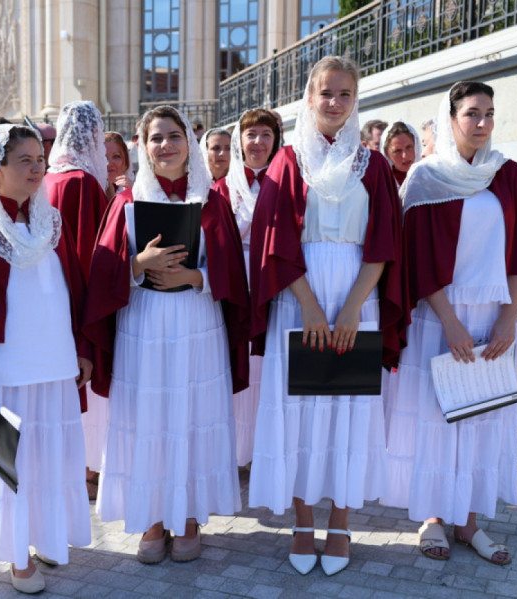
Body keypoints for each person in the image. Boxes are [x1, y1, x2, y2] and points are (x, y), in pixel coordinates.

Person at [382, 81, 517, 566]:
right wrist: (450, 322)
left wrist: (509, 317)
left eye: (489, 113)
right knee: (438, 418)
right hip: (438, 316)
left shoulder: (508, 174)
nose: (482, 123)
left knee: (482, 417)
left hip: (495, 314)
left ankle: (470, 521)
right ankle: (434, 517)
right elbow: (416, 257)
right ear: (451, 117)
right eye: (472, 113)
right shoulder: (425, 177)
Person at [248, 57, 405, 577]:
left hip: (358, 296)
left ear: (355, 99)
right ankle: (301, 522)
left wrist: (354, 306)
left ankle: (339, 522)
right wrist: (310, 306)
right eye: (326, 93)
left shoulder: (373, 164)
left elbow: (384, 242)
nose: (335, 103)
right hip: (300, 296)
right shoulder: (287, 161)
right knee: (298, 409)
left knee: (346, 408)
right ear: (310, 97)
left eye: (344, 94)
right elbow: (275, 241)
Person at [83, 105, 249, 565]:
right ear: (143, 145)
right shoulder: (126, 200)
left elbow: (233, 274)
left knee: (193, 414)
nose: (166, 145)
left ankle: (190, 517)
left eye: (174, 135)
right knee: (149, 417)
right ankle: (153, 519)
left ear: (188, 143)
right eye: (155, 137)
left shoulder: (212, 200)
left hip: (198, 321)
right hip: (144, 323)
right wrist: (139, 264)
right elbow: (102, 273)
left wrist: (194, 277)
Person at [0, 124, 93, 593]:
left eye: (39, 159)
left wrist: (82, 349)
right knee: (10, 465)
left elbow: (73, 291)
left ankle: (46, 536)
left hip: (55, 365)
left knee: (48, 460)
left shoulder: (51, 222)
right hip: (6, 372)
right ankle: (16, 555)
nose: (36, 168)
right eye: (24, 160)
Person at [44, 101, 109, 501]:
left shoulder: (49, 178)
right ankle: (87, 470)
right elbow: (92, 251)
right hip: (80, 297)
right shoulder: (82, 183)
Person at [212, 108, 281, 468]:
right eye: (251, 134)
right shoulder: (221, 189)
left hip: (274, 280)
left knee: (268, 364)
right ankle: (235, 450)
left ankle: (265, 450)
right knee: (238, 359)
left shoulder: (286, 184)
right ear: (239, 140)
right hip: (236, 279)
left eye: (266, 135)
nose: (258, 142)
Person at [45, 100, 109, 279]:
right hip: (77, 280)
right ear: (93, 133)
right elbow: (97, 246)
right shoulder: (83, 182)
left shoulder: (47, 177)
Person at [381, 121, 420, 188]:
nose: (405, 156)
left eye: (409, 147)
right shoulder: (383, 183)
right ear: (387, 154)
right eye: (397, 151)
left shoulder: (429, 176)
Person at [103, 131, 134, 200]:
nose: (109, 163)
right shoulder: (91, 190)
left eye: (116, 156)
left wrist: (131, 194)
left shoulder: (137, 192)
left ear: (126, 162)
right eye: (104, 157)